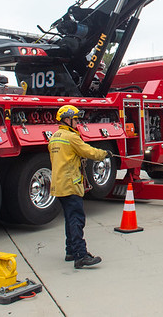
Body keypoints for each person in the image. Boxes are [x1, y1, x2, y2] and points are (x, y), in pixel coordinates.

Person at [49, 105, 109, 269]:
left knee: (70, 218)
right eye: (75, 119)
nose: (77, 122)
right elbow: (88, 152)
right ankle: (81, 256)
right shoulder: (71, 137)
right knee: (76, 219)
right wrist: (104, 154)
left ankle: (70, 251)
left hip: (58, 185)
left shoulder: (54, 137)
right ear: (67, 119)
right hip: (70, 184)